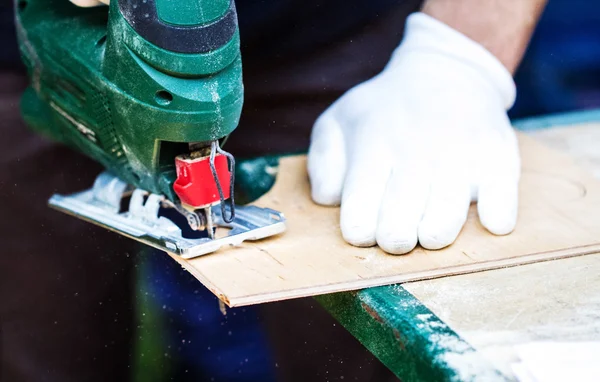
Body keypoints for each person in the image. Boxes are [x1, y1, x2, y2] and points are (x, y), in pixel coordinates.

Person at [1, 0, 548, 380]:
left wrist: (459, 55)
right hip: (26, 52)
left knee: (370, 330)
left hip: (330, 31)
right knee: (37, 346)